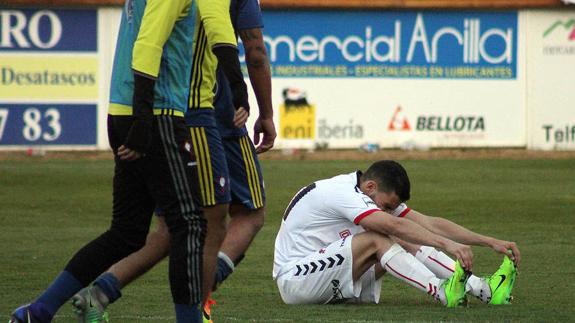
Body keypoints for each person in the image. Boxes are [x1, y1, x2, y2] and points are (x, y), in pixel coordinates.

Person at [9, 0, 244, 322]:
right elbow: (149, 43)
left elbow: (210, 28)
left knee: (128, 232)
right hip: (155, 113)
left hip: (125, 110)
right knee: (188, 225)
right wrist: (144, 117)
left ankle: (38, 311)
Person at [68, 0, 275, 322]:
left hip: (190, 113)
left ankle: (101, 292)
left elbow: (149, 43)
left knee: (179, 227)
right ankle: (198, 308)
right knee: (210, 221)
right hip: (206, 116)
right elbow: (254, 48)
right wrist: (265, 110)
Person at [273, 160, 520, 306]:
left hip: (326, 274)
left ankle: (484, 290)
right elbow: (393, 226)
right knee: (379, 236)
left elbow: (428, 223)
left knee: (401, 234)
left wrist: (488, 241)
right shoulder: (342, 193)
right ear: (371, 186)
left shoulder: (366, 193)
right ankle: (441, 292)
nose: (387, 210)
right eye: (386, 205)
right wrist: (448, 245)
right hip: (295, 280)